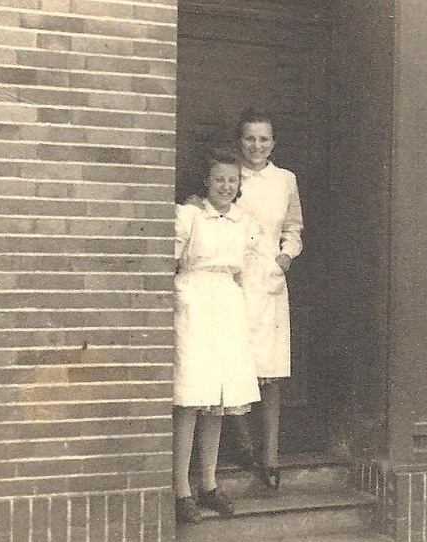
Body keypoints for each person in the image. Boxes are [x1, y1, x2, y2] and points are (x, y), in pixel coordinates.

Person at [188, 107, 303, 489]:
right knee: (236, 366)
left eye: (264, 138)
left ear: (274, 142)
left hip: (269, 279)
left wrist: (285, 255)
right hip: (233, 279)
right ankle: (245, 446)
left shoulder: (285, 180)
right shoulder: (228, 176)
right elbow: (210, 208)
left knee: (269, 373)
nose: (257, 145)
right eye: (250, 138)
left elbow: (293, 228)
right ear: (240, 141)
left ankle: (270, 456)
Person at [173, 149, 262, 524]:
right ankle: (180, 489)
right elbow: (171, 260)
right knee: (192, 396)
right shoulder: (189, 215)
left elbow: (245, 270)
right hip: (194, 303)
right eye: (219, 179)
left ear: (239, 185)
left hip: (227, 305)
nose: (226, 186)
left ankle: (208, 484)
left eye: (232, 180)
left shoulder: (244, 223)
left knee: (219, 400)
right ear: (206, 182)